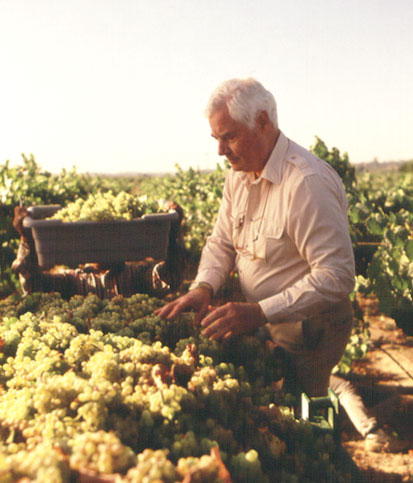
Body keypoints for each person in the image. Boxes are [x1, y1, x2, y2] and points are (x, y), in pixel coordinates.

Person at [155, 77, 355, 399]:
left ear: (262, 122)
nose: (220, 151)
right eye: (216, 139)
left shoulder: (306, 183)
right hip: (264, 318)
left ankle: (326, 442)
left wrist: (260, 312)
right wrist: (204, 286)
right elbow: (221, 241)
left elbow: (337, 276)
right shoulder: (239, 174)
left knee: (300, 414)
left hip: (309, 327)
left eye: (229, 137)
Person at [11, 202, 187, 299]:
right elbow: (32, 286)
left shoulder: (138, 277)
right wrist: (26, 241)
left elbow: (170, 276)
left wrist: (172, 232)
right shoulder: (72, 281)